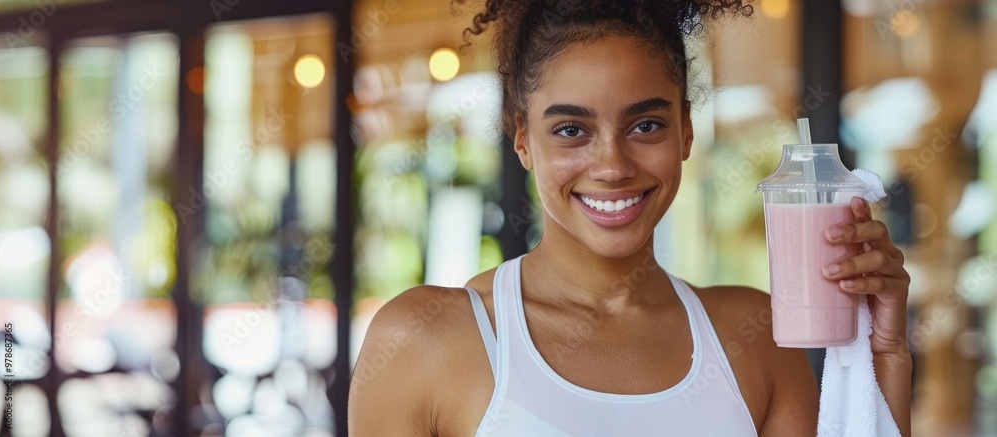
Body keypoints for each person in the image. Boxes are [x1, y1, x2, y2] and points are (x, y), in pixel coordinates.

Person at [349, 0, 912, 435]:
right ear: (522, 137)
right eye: (572, 130)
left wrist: (884, 350)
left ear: (686, 129)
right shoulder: (424, 340)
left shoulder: (756, 335)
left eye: (645, 126)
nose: (613, 165)